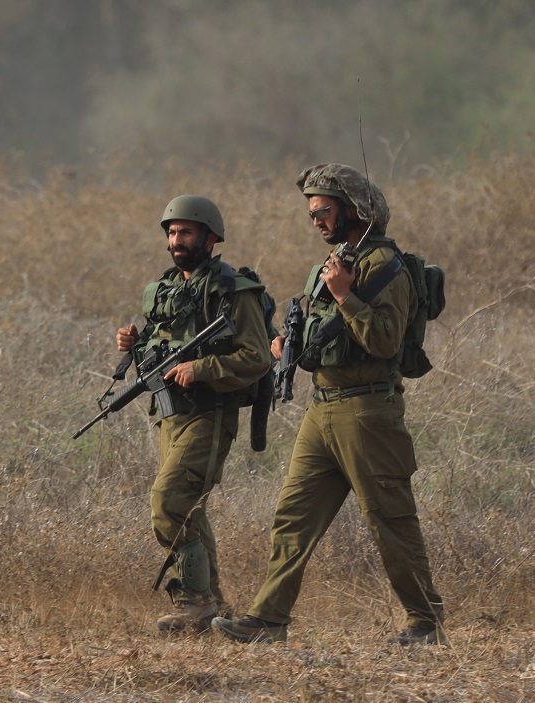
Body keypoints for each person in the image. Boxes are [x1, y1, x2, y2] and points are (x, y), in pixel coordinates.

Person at [212, 164, 446, 646]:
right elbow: (317, 333)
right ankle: (268, 619)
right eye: (311, 213)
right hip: (323, 409)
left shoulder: (385, 266)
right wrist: (284, 347)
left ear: (354, 210)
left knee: (390, 519)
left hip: (367, 413)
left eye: (323, 210)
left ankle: (425, 622)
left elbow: (383, 341)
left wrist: (344, 294)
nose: (316, 219)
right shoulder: (335, 261)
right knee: (294, 515)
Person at [116, 194, 272, 634]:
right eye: (171, 232)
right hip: (170, 416)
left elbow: (256, 357)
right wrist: (135, 347)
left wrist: (199, 368)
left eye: (185, 231)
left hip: (211, 413)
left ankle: (195, 602)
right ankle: (213, 609)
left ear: (210, 236)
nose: (176, 240)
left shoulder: (232, 291)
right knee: (190, 511)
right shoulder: (164, 290)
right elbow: (160, 344)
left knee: (169, 502)